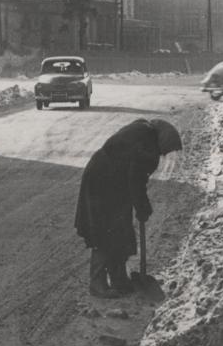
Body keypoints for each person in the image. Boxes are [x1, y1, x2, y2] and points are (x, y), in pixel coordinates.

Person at [74, 118, 183, 297]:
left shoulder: (142, 131)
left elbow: (132, 175)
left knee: (120, 232)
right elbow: (136, 181)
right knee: (103, 233)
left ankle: (119, 279)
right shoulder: (147, 147)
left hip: (110, 182)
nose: (164, 155)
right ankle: (97, 284)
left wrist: (140, 206)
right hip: (102, 184)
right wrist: (142, 208)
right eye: (167, 151)